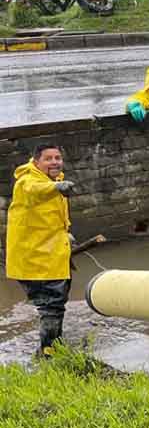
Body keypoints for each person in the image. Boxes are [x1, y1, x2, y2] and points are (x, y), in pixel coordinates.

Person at [5, 144, 75, 356]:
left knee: (55, 304)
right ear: (36, 162)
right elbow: (34, 190)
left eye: (58, 158)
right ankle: (49, 353)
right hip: (35, 257)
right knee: (51, 306)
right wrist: (57, 187)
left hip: (52, 253)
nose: (54, 162)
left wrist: (66, 232)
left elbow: (53, 215)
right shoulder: (28, 181)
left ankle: (55, 346)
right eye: (48, 158)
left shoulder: (52, 180)